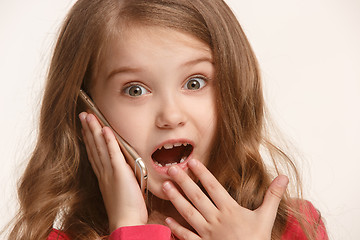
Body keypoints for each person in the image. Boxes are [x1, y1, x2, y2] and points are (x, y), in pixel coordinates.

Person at [8, 0, 328, 239]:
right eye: (135, 90)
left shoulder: (293, 227)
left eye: (194, 83)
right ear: (88, 109)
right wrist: (129, 228)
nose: (171, 116)